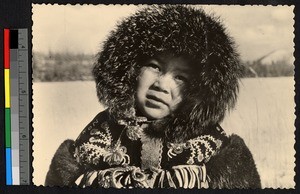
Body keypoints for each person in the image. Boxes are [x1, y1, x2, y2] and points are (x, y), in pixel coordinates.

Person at [45, 5, 261, 188]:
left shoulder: (212, 145)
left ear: (200, 89)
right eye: (154, 67)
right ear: (131, 70)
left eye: (181, 77)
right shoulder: (100, 132)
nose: (162, 85)